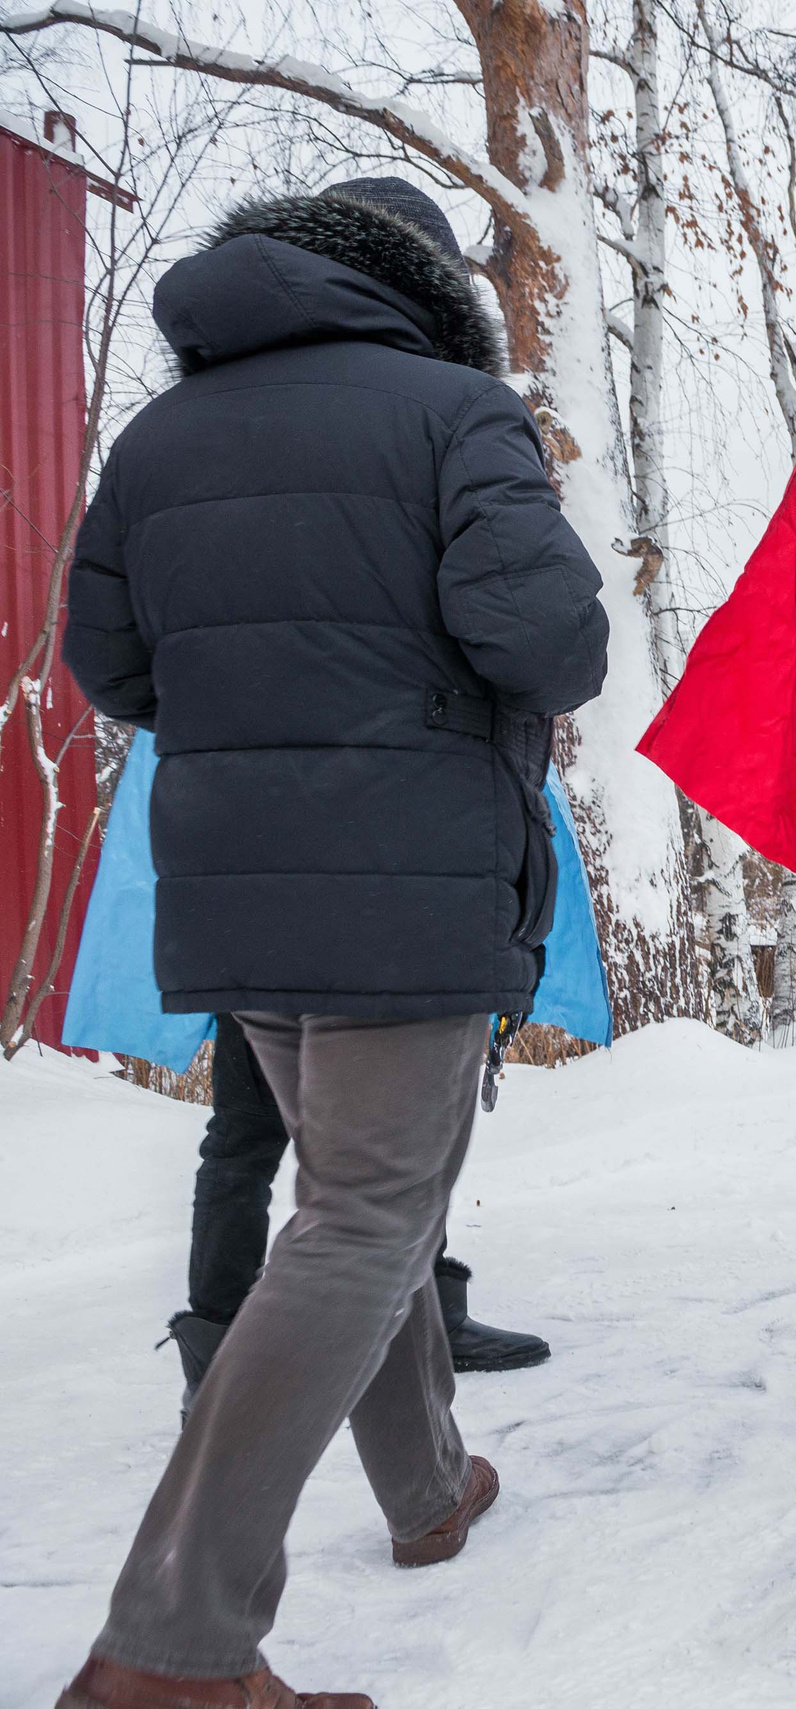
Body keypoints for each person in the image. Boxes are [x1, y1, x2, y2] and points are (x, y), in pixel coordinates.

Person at [55, 177, 608, 1709]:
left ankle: (428, 1488)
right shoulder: (454, 412)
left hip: (239, 878)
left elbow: (106, 660)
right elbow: (551, 644)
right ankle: (176, 1647)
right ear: (428, 284)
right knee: (365, 1218)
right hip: (406, 872)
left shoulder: (159, 439)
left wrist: (259, 736)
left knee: (368, 1200)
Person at [164, 1015, 552, 1423]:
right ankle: (218, 1363)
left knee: (251, 1141)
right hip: (341, 976)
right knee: (385, 1136)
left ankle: (215, 1364)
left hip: (261, 971)